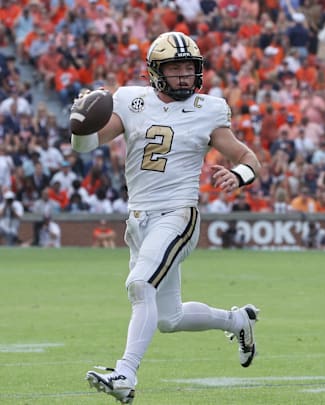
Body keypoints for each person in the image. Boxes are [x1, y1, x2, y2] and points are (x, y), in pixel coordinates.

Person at [71, 32, 262, 404]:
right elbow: (87, 144)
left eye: (189, 68)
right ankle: (237, 321)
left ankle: (125, 374)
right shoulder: (130, 100)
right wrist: (78, 126)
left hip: (177, 214)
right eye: (175, 68)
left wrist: (237, 176)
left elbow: (249, 159)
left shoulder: (209, 109)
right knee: (168, 318)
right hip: (138, 219)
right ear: (155, 72)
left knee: (140, 285)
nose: (184, 76)